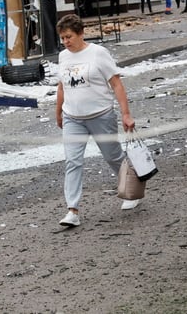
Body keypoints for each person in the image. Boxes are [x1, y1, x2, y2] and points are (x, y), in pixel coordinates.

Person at [54, 14, 138, 227]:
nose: (65, 42)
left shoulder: (98, 53)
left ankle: (132, 190)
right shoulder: (63, 57)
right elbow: (62, 86)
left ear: (81, 33)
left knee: (113, 156)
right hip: (73, 117)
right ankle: (72, 210)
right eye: (62, 38)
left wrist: (126, 114)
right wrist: (58, 112)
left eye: (69, 37)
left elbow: (116, 84)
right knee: (72, 161)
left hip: (100, 115)